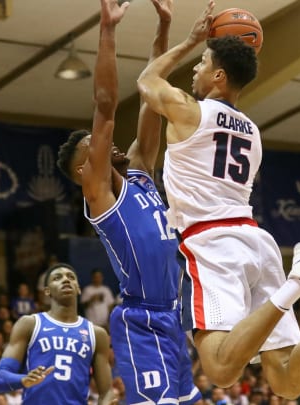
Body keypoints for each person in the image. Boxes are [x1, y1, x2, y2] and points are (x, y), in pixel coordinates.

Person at [136, 0, 300, 398]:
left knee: (222, 370)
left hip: (212, 243)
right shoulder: (252, 132)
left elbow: (146, 80)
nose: (195, 68)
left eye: (202, 63)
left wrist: (191, 39)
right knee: (286, 383)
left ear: (219, 75)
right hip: (256, 242)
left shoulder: (190, 111)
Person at [56, 0, 202, 404]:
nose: (106, 143)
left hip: (173, 315)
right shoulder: (100, 195)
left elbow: (150, 93)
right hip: (142, 320)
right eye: (94, 149)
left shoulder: (139, 171)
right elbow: (104, 107)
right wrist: (108, 30)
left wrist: (164, 25)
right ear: (85, 171)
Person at [0, 263, 113, 404]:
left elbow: (107, 392)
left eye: (71, 277)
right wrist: (23, 380)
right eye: (57, 278)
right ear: (47, 291)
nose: (66, 280)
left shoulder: (97, 334)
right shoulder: (30, 324)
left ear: (79, 289)